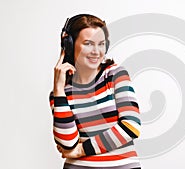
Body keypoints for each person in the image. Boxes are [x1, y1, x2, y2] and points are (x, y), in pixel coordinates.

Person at [49, 14, 142, 169]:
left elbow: (130, 126)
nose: (96, 51)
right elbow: (67, 143)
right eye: (88, 43)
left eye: (101, 44)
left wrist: (81, 150)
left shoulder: (115, 75)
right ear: (70, 46)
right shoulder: (60, 93)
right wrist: (59, 90)